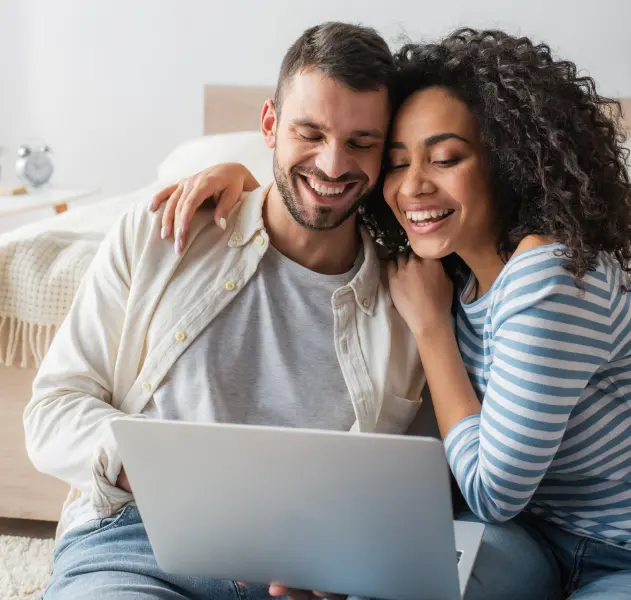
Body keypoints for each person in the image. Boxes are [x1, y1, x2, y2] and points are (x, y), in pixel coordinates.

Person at [155, 28, 631, 599]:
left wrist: (431, 329)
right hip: (526, 537)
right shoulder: (449, 261)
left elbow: (491, 491)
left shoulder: (547, 275)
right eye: (397, 163)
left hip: (614, 549)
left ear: (506, 161)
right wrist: (252, 181)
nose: (413, 187)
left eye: (446, 158)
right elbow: (322, 192)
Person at [24, 22, 426, 600]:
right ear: (269, 125)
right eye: (309, 133)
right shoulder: (161, 231)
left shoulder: (412, 294)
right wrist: (159, 470)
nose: (334, 165)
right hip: (137, 541)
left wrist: (347, 560)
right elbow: (52, 410)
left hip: (309, 569)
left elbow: (416, 488)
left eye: (361, 142)